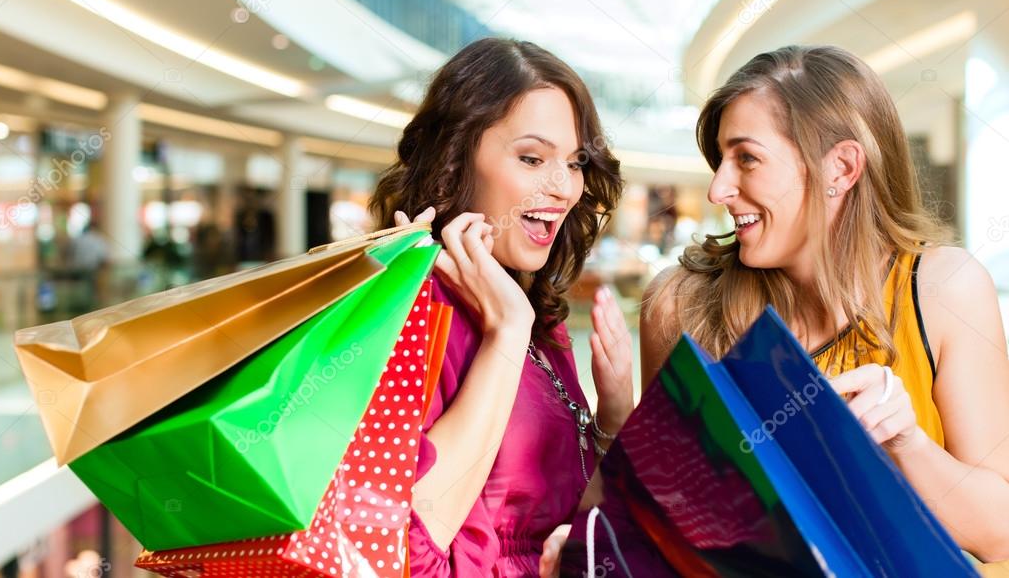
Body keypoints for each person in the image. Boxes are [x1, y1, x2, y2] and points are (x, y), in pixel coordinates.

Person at [641, 45, 1009, 563]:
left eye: (747, 158)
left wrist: (908, 443)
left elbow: (999, 534)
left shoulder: (944, 291)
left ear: (841, 166)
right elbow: (661, 523)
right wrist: (615, 421)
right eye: (721, 160)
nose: (719, 189)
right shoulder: (682, 304)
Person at [369, 37, 635, 575]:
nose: (563, 188)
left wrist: (613, 414)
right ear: (454, 159)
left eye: (576, 162)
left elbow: (564, 517)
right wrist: (506, 333)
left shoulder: (535, 315)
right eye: (532, 158)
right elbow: (400, 554)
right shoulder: (408, 311)